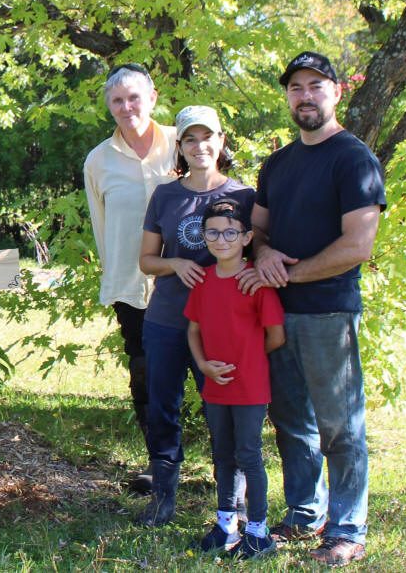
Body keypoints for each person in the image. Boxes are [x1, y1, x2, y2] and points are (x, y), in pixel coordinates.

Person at [238, 51, 385, 567]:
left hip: (327, 312)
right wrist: (265, 253)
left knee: (340, 425)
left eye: (315, 86)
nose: (305, 95)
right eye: (296, 87)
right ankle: (304, 514)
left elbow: (357, 246)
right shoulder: (278, 162)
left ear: (336, 92)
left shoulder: (353, 158)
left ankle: (347, 528)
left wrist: (289, 272)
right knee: (291, 419)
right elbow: (255, 231)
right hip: (275, 314)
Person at [137, 105, 254, 526]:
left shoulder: (244, 197)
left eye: (208, 137)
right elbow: (147, 261)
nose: (199, 146)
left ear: (221, 142)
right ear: (180, 147)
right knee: (162, 408)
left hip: (222, 325)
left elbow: (255, 259)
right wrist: (175, 265)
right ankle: (162, 496)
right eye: (190, 139)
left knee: (222, 408)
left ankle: (233, 501)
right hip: (168, 317)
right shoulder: (166, 195)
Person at [83, 63, 177, 494]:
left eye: (134, 97)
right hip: (132, 288)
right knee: (146, 376)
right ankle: (162, 467)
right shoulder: (98, 160)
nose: (126, 107)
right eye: (117, 100)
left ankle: (228, 474)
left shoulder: (182, 143)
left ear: (153, 97)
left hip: (189, 283)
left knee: (211, 374)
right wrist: (114, 277)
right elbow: (102, 226)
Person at [185, 199, 285, 559]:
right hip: (215, 383)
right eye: (213, 231)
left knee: (249, 454)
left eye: (230, 232)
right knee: (222, 453)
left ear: (246, 237)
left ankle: (259, 532)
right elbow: (193, 330)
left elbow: (276, 336)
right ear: (204, 236)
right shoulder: (204, 280)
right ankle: (227, 525)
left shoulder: (255, 281)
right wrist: (204, 365)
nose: (221, 238)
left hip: (250, 385)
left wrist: (249, 361)